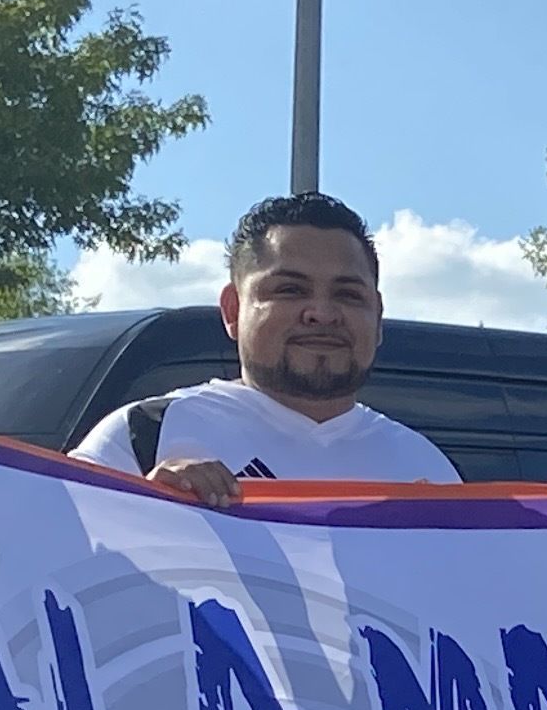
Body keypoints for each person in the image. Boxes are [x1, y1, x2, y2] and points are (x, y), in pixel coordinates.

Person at [73, 190, 459, 496]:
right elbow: (44, 564)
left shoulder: (426, 471)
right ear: (233, 309)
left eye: (348, 294)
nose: (322, 313)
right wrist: (136, 505)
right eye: (290, 290)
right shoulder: (144, 436)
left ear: (377, 317)